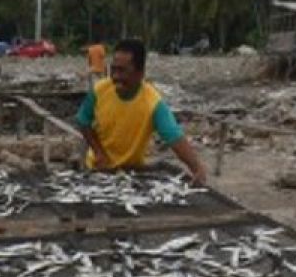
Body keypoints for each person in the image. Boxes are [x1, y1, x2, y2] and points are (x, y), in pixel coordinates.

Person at [75, 39, 207, 185]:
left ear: (140, 73)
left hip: (132, 173)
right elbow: (83, 120)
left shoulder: (152, 103)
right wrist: (98, 151)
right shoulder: (99, 90)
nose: (116, 77)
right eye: (114, 70)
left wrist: (197, 168)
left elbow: (174, 137)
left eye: (123, 71)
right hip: (98, 170)